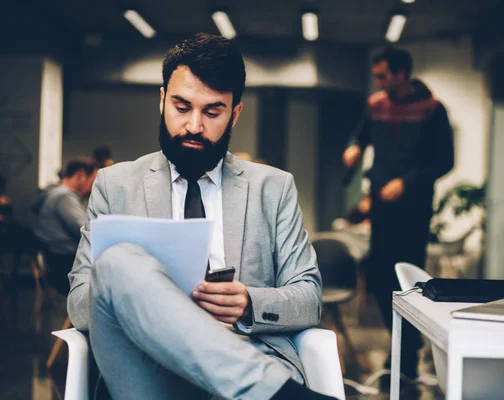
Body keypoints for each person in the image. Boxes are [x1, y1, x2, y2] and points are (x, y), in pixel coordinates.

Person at [67, 33, 333, 400]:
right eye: (181, 107)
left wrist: (248, 303)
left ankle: (258, 384)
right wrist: (146, 295)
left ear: (234, 114)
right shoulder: (116, 185)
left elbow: (310, 298)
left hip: (249, 350)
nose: (194, 126)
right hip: (148, 369)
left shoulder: (273, 188)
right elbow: (80, 305)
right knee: (116, 263)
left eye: (212, 111)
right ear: (162, 100)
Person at [342, 47, 454, 383]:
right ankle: (405, 342)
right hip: (381, 204)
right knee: (377, 272)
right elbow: (361, 135)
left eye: (383, 75)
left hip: (413, 208)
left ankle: (404, 355)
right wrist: (354, 147)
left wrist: (407, 183)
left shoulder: (432, 110)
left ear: (402, 74)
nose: (377, 82)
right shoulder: (375, 104)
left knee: (408, 280)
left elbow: (444, 161)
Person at [32, 158, 97, 295]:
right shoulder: (64, 196)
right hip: (65, 260)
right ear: (80, 176)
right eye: (92, 180)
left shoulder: (54, 192)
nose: (93, 186)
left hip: (55, 257)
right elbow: (85, 228)